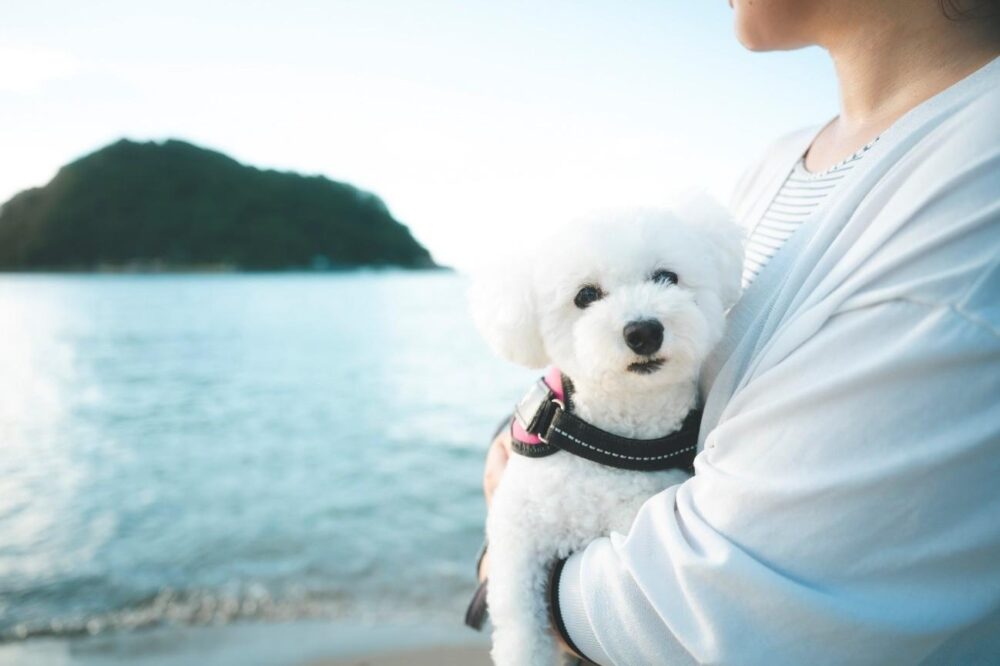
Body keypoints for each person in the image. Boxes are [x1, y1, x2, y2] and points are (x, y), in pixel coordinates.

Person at [479, 1, 1000, 663]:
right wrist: (540, 431)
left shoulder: (971, 195)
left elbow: (736, 606)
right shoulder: (781, 161)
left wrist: (513, 564)